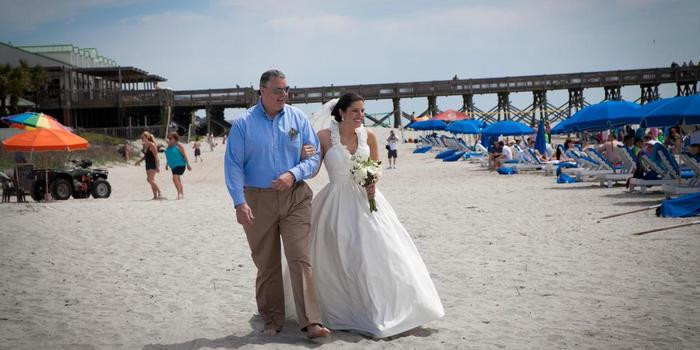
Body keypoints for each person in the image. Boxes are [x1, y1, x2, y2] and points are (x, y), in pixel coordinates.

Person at [297, 92, 443, 338]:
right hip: (334, 202)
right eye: (355, 111)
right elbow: (312, 172)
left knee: (379, 254)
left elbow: (376, 168)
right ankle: (346, 310)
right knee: (342, 255)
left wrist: (373, 181)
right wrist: (304, 156)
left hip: (368, 201)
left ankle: (381, 310)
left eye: (362, 111)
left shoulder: (370, 136)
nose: (360, 116)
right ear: (341, 112)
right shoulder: (323, 137)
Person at [224, 69, 330, 339]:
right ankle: (272, 319)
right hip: (257, 199)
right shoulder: (243, 124)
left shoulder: (297, 118)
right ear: (262, 91)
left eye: (286, 89)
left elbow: (314, 156)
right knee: (267, 263)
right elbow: (233, 165)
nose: (284, 94)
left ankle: (311, 322)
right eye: (278, 90)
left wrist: (293, 173)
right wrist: (239, 202)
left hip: (295, 196)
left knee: (299, 257)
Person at [164, 132, 192, 200]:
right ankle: (181, 193)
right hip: (173, 165)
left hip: (180, 164)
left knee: (174, 178)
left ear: (175, 138)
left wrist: (188, 164)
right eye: (168, 138)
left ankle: (179, 193)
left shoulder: (178, 145)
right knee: (177, 180)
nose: (169, 139)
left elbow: (184, 155)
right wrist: (167, 164)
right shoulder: (169, 146)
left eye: (170, 138)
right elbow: (170, 156)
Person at [134, 131, 161, 200]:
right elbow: (145, 156)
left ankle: (160, 192)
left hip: (153, 163)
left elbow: (156, 156)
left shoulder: (152, 145)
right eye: (141, 137)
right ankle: (155, 196)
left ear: (147, 137)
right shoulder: (144, 145)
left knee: (149, 179)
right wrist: (139, 161)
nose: (142, 138)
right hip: (147, 164)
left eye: (143, 137)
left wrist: (157, 166)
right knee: (151, 180)